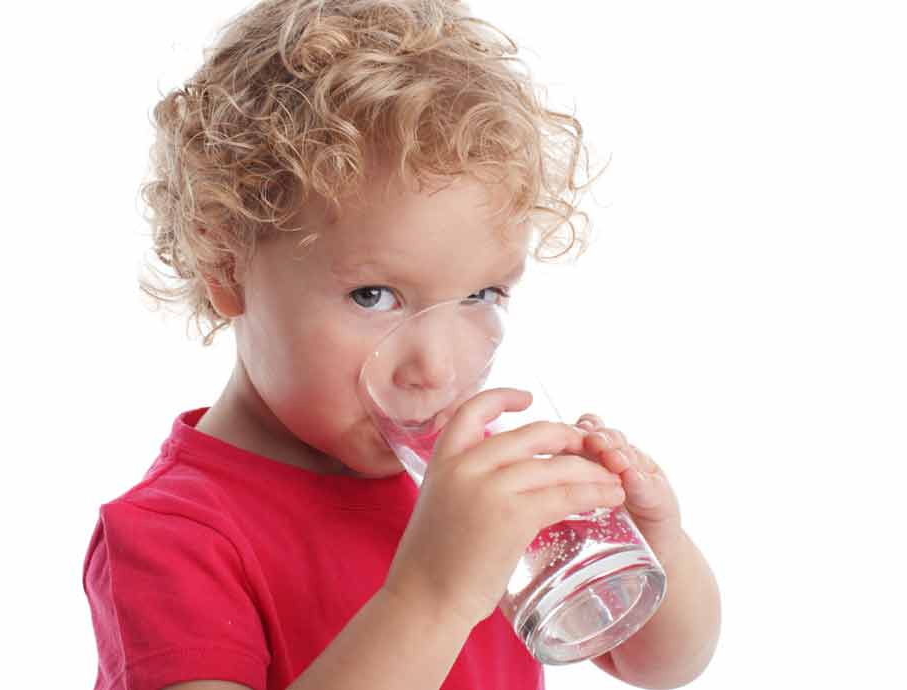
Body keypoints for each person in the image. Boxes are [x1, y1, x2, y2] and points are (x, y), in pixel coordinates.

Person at [82, 2, 721, 689]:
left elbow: (656, 664)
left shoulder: (473, 478)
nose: (437, 368)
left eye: (482, 297)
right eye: (374, 296)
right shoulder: (172, 538)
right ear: (226, 270)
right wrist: (430, 596)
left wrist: (662, 548)